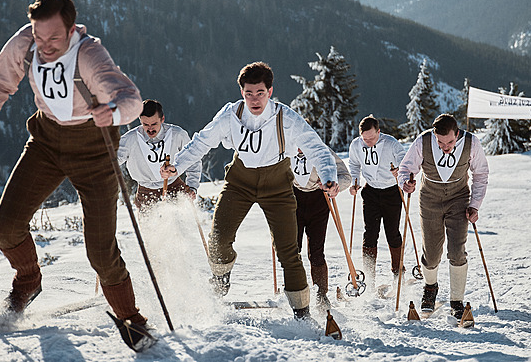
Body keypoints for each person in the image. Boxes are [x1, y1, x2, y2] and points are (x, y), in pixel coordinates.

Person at [0, 0, 149, 331]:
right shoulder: (26, 42)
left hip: (95, 151)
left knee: (100, 252)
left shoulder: (89, 54)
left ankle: (131, 319)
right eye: (39, 35)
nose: (45, 45)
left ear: (70, 30)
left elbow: (132, 100)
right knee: (6, 226)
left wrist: (112, 111)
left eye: (53, 37)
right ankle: (28, 282)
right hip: (47, 142)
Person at [160, 61, 339, 319]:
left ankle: (302, 314)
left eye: (260, 93)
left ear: (270, 91)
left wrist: (329, 177)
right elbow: (202, 142)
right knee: (218, 239)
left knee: (289, 251)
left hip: (277, 184)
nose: (254, 99)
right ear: (241, 92)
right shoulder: (230, 115)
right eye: (248, 93)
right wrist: (176, 167)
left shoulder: (286, 117)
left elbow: (317, 148)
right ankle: (221, 280)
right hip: (239, 182)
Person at [397, 113, 489, 319]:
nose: (445, 147)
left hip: (459, 198)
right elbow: (406, 168)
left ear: (457, 134)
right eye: (440, 142)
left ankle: (456, 300)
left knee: (457, 251)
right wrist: (406, 182)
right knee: (431, 253)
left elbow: (481, 174)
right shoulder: (424, 141)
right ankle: (430, 288)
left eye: (449, 142)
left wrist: (475, 205)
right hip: (430, 197)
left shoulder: (471, 142)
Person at [348, 115, 406, 291]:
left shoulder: (390, 143)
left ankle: (398, 272)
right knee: (370, 233)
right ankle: (368, 277)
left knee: (392, 233)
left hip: (391, 192)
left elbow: (404, 158)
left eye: (372, 138)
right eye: (365, 139)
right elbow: (354, 164)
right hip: (371, 191)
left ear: (379, 132)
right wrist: (354, 181)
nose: (369, 142)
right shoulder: (356, 145)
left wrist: (400, 170)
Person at [291, 146, 351, 309]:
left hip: (319, 199)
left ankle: (321, 296)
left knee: (316, 252)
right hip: (292, 198)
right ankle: (295, 292)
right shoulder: (285, 149)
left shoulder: (322, 150)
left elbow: (346, 176)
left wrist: (332, 185)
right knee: (291, 251)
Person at [118, 99, 202, 211]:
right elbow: (112, 161)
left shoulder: (177, 134)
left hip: (175, 186)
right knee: (151, 228)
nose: (150, 129)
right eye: (145, 124)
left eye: (154, 124)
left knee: (182, 225)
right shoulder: (130, 139)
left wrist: (192, 186)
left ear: (162, 119)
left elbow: (193, 159)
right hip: (146, 192)